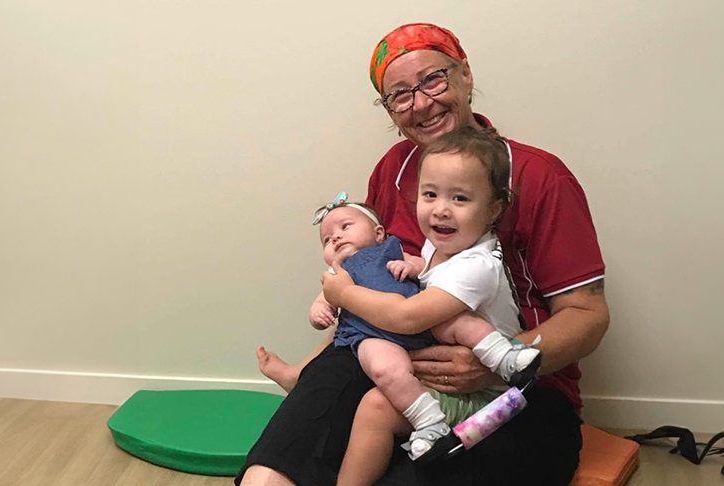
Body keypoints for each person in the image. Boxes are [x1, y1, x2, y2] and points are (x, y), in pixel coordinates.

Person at [237, 22, 609, 486]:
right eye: (400, 95)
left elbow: (588, 315)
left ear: (466, 76)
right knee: (277, 464)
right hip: (394, 361)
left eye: (433, 79)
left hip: (516, 390)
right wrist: (312, 364)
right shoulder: (392, 171)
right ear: (390, 110)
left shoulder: (540, 176)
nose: (421, 103)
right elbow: (367, 287)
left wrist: (494, 358)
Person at [323, 127, 540, 486]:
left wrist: (344, 294)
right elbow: (431, 278)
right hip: (448, 371)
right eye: (430, 194)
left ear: (493, 210)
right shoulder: (438, 249)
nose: (440, 210)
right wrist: (414, 265)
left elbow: (408, 317)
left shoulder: (476, 266)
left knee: (374, 409)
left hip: (485, 394)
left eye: (459, 199)